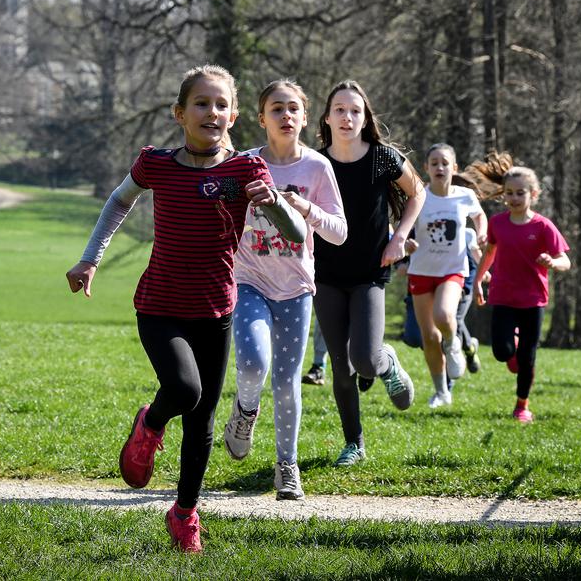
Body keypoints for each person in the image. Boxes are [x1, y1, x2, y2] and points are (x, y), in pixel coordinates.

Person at [65, 65, 306, 553]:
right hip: (159, 306)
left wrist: (275, 202)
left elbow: (297, 237)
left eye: (221, 105)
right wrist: (91, 259)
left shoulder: (246, 171)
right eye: (201, 103)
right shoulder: (156, 163)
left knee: (202, 423)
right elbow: (118, 203)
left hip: (215, 311)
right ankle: (151, 423)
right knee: (185, 389)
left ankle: (184, 514)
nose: (211, 112)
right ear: (180, 114)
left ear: (234, 116)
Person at [223, 80, 347, 501]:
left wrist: (304, 207)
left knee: (287, 380)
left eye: (294, 108)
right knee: (254, 365)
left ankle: (286, 465)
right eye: (277, 109)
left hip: (295, 287)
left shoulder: (316, 168)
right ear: (262, 119)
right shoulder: (242, 163)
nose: (286, 116)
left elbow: (339, 233)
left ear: (306, 117)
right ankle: (244, 409)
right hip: (249, 279)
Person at [312, 79, 425, 466]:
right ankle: (354, 443)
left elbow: (418, 192)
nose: (347, 117)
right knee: (340, 365)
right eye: (340, 110)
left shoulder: (382, 157)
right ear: (327, 118)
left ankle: (386, 362)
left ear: (365, 118)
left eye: (355, 111)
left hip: (369, 272)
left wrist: (399, 239)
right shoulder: (315, 162)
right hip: (324, 273)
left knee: (363, 359)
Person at [473, 165, 570, 423]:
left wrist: (552, 262)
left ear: (533, 194)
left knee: (527, 359)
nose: (514, 198)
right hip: (503, 296)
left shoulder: (543, 226)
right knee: (502, 352)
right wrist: (478, 279)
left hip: (533, 300)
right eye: (509, 193)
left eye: (520, 193)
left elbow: (565, 261)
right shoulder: (497, 224)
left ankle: (522, 405)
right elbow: (490, 253)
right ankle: (512, 345)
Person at [405, 143, 485, 409]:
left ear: (454, 167)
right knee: (429, 337)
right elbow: (402, 226)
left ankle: (453, 345)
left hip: (453, 269)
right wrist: (405, 243)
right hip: (421, 270)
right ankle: (441, 392)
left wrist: (481, 232)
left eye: (445, 163)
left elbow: (479, 215)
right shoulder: (419, 196)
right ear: (426, 168)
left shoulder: (464, 196)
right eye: (434, 163)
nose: (440, 167)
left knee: (443, 316)